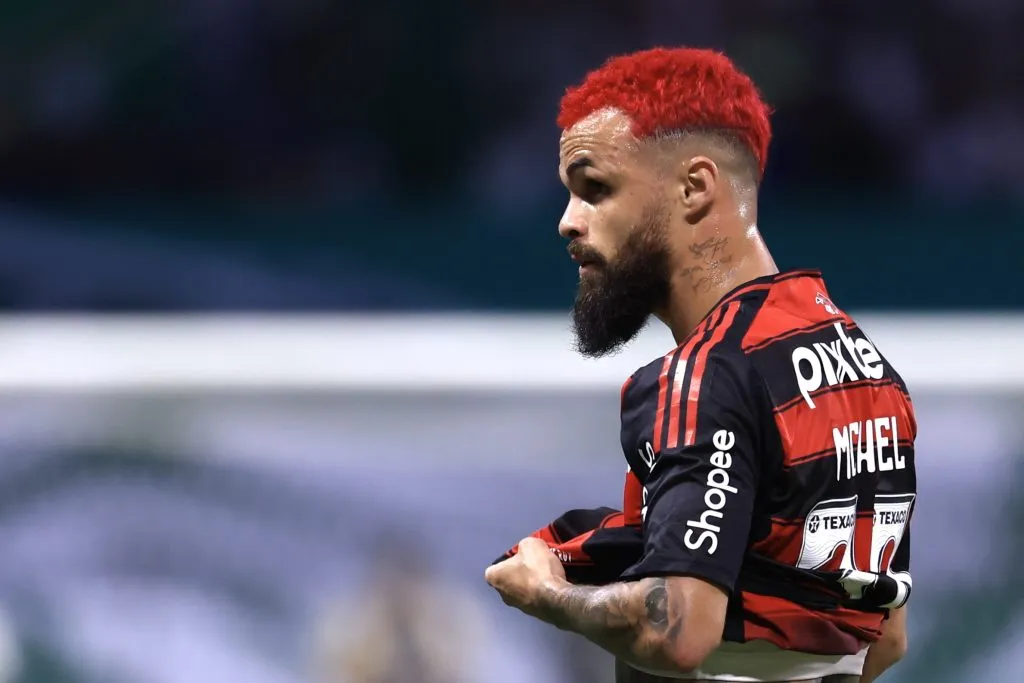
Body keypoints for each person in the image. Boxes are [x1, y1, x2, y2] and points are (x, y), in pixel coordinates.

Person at [484, 47, 916, 683]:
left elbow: (677, 632)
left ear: (694, 188)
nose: (567, 223)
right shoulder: (870, 371)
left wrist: (546, 592)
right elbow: (887, 637)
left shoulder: (705, 374)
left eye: (594, 189)